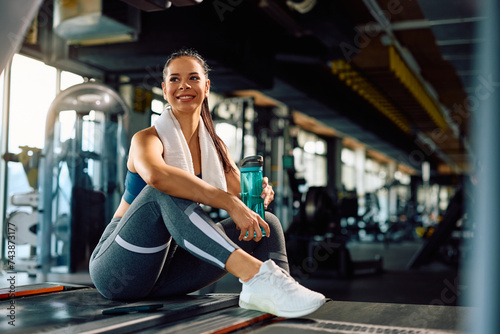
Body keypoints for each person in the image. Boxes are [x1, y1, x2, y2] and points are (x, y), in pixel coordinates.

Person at [89, 48, 326, 317]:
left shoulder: (214, 147)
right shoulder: (146, 139)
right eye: (175, 80)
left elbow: (242, 194)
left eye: (193, 78)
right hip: (120, 270)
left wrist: (259, 192)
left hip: (168, 275)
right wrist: (228, 202)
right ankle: (257, 276)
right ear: (164, 89)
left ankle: (278, 291)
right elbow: (158, 176)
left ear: (206, 86)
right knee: (161, 191)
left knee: (267, 223)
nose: (184, 86)